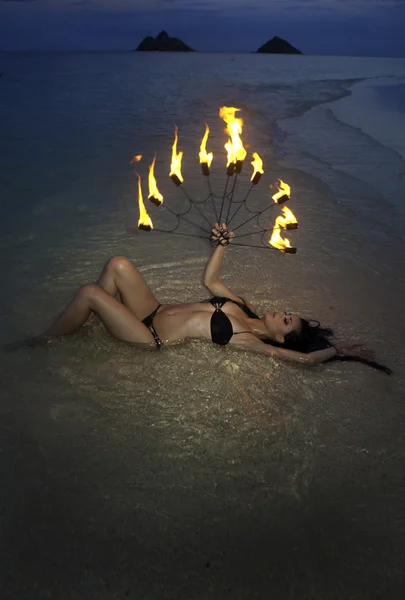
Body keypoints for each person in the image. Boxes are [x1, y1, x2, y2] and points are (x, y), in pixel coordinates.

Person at [24, 222, 384, 370]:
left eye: (286, 320)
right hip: (153, 309)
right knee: (118, 263)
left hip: (149, 336)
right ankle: (84, 321)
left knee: (90, 292)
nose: (281, 313)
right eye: (288, 312)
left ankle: (44, 340)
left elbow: (302, 361)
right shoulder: (243, 306)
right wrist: (222, 244)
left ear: (279, 336)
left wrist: (339, 351)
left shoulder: (249, 340)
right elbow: (211, 281)